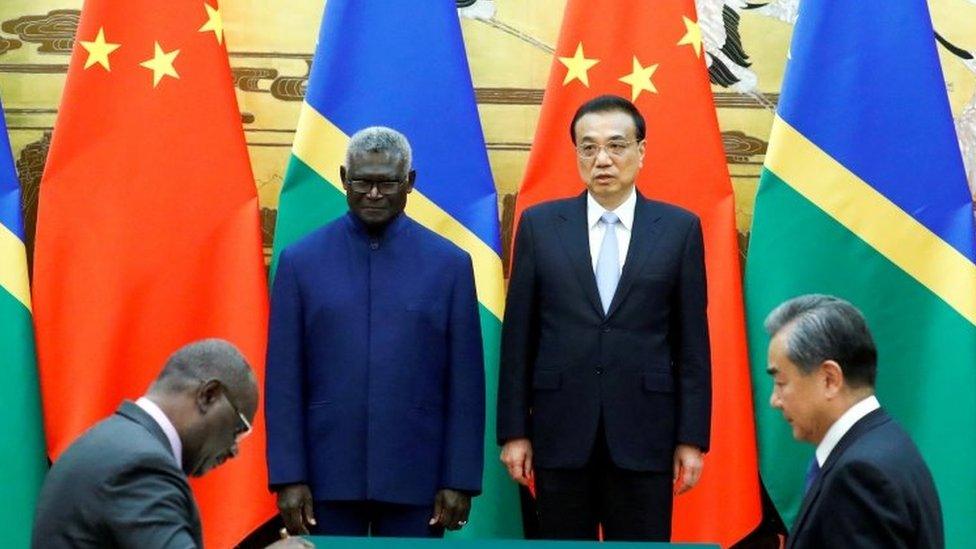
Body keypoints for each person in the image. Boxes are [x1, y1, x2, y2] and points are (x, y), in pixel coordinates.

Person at [497, 94, 711, 541]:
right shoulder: (540, 225)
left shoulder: (678, 230)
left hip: (644, 435)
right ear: (576, 153)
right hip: (560, 433)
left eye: (617, 145)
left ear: (641, 151)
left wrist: (691, 439)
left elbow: (692, 346)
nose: (603, 160)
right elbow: (519, 339)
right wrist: (514, 432)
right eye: (588, 147)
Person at [266, 126, 485, 537]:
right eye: (363, 181)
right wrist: (288, 476)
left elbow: (465, 384)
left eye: (387, 182)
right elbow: (284, 381)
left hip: (417, 477)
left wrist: (459, 479)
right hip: (324, 478)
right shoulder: (300, 263)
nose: (373, 193)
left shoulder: (450, 265)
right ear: (344, 178)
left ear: (411, 183)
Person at [31, 339, 310, 549]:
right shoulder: (138, 465)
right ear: (209, 395)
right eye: (239, 429)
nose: (234, 449)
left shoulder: (114, 440)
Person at [764, 294, 944, 549]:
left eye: (781, 383)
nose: (774, 400)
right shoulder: (888, 444)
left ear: (829, 379)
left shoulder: (860, 476)